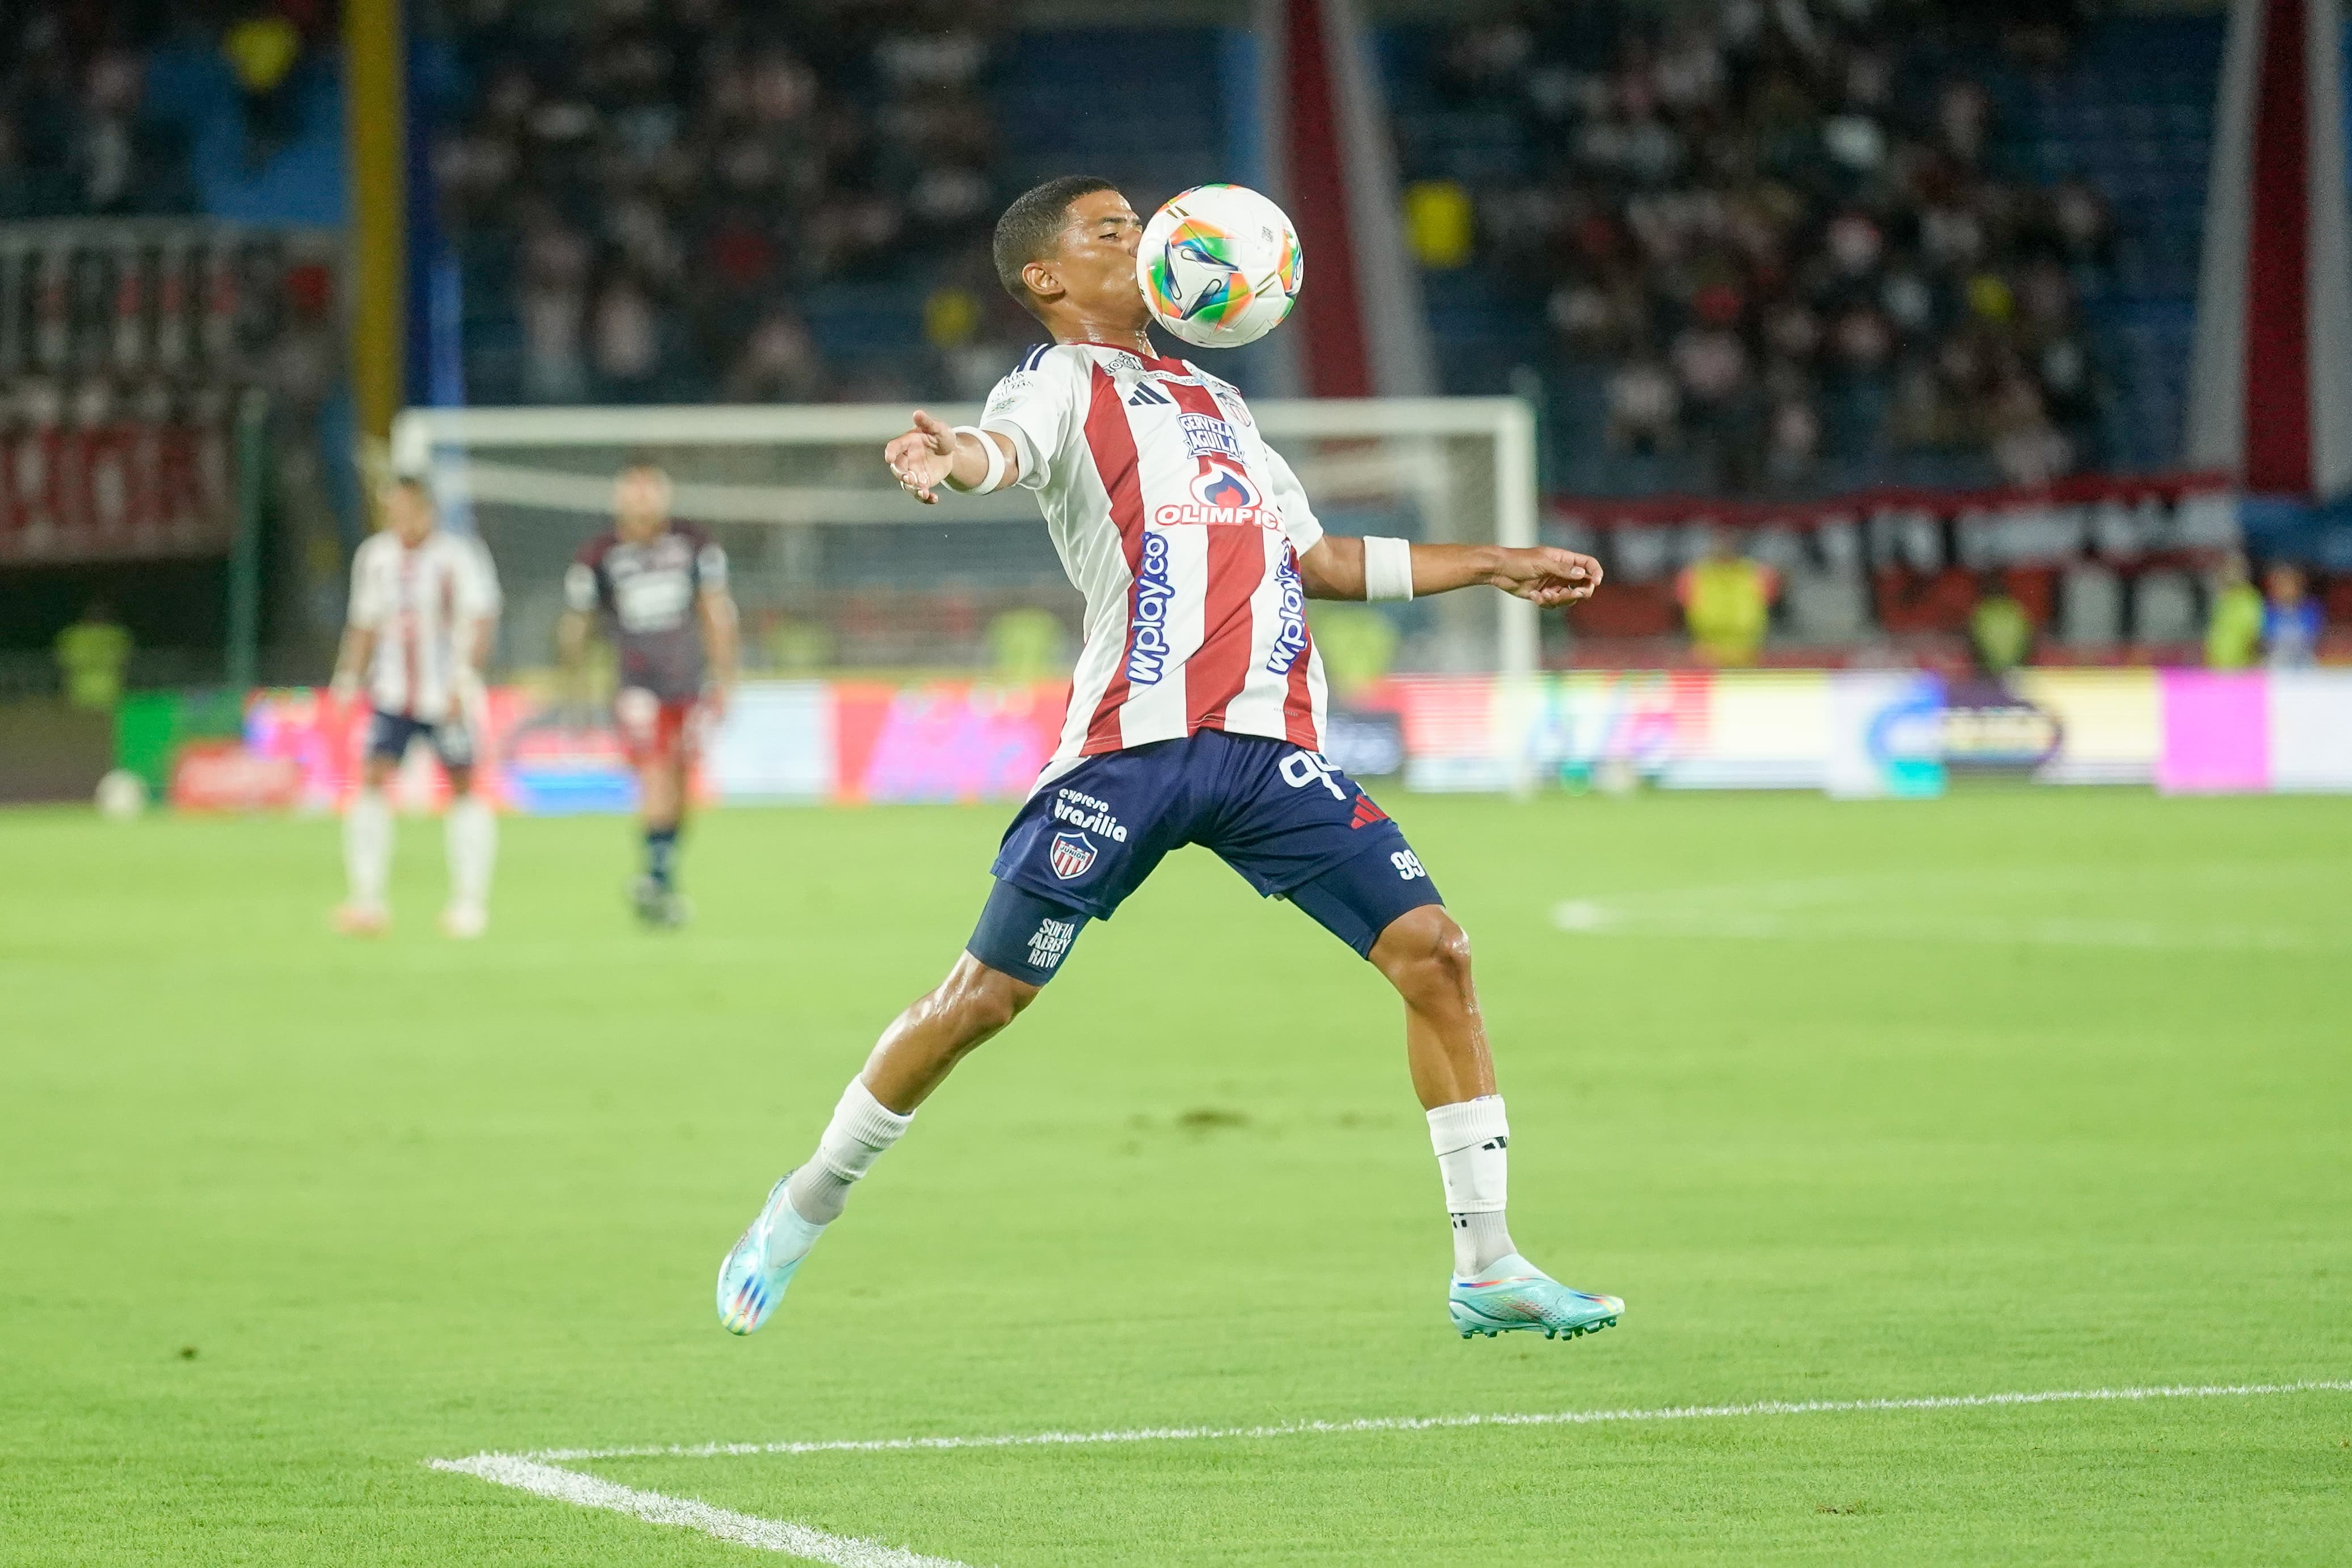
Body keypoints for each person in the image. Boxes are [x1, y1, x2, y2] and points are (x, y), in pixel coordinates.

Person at [715, 176, 1621, 1345]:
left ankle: (1487, 1262)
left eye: (1141, 225)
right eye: (1110, 231)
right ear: (1046, 277)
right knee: (984, 998)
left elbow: (1320, 557)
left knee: (1434, 953)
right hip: (1129, 749)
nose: (1140, 240)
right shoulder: (1056, 382)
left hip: (1263, 748)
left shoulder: (1219, 399)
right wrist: (955, 454)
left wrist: (1489, 562)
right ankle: (804, 1203)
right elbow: (1002, 449)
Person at [558, 462, 739, 927]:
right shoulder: (598, 556)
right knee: (655, 773)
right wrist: (575, 687)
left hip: (687, 682)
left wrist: (726, 677)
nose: (643, 504)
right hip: (637, 684)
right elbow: (577, 626)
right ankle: (657, 883)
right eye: (634, 494)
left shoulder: (694, 544)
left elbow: (715, 610)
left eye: (650, 493)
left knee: (681, 785)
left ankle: (660, 869)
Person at [329, 477, 502, 938]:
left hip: (445, 696)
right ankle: (367, 901)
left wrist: (464, 679)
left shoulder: (459, 556)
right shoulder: (375, 557)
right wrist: (347, 679)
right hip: (392, 695)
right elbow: (363, 622)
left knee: (465, 785)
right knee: (370, 780)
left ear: (426, 510)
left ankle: (469, 905)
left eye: (403, 508)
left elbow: (481, 617)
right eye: (390, 510)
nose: (395, 519)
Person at [1675, 526, 1778, 666]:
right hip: (1705, 653)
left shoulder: (1760, 573)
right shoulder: (1693, 574)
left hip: (1749, 653)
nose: (1724, 544)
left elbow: (1775, 599)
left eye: (1728, 539)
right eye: (1720, 539)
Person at [54, 600, 132, 712]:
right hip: (109, 694)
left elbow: (63, 660)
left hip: (80, 693)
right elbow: (125, 658)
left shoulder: (71, 636)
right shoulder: (118, 635)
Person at [2204, 552, 2263, 670]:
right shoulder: (2221, 599)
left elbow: (2254, 635)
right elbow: (2215, 633)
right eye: (2226, 569)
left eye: (2235, 570)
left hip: (2242, 668)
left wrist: (2251, 665)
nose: (2230, 573)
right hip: (2216, 665)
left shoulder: (2249, 598)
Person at [2261, 562, 2324, 669]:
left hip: (2305, 661)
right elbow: (2264, 640)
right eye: (2280, 585)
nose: (2285, 589)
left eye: (2289, 584)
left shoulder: (2311, 610)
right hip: (2275, 661)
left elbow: (2315, 638)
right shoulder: (2266, 611)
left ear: (2299, 586)